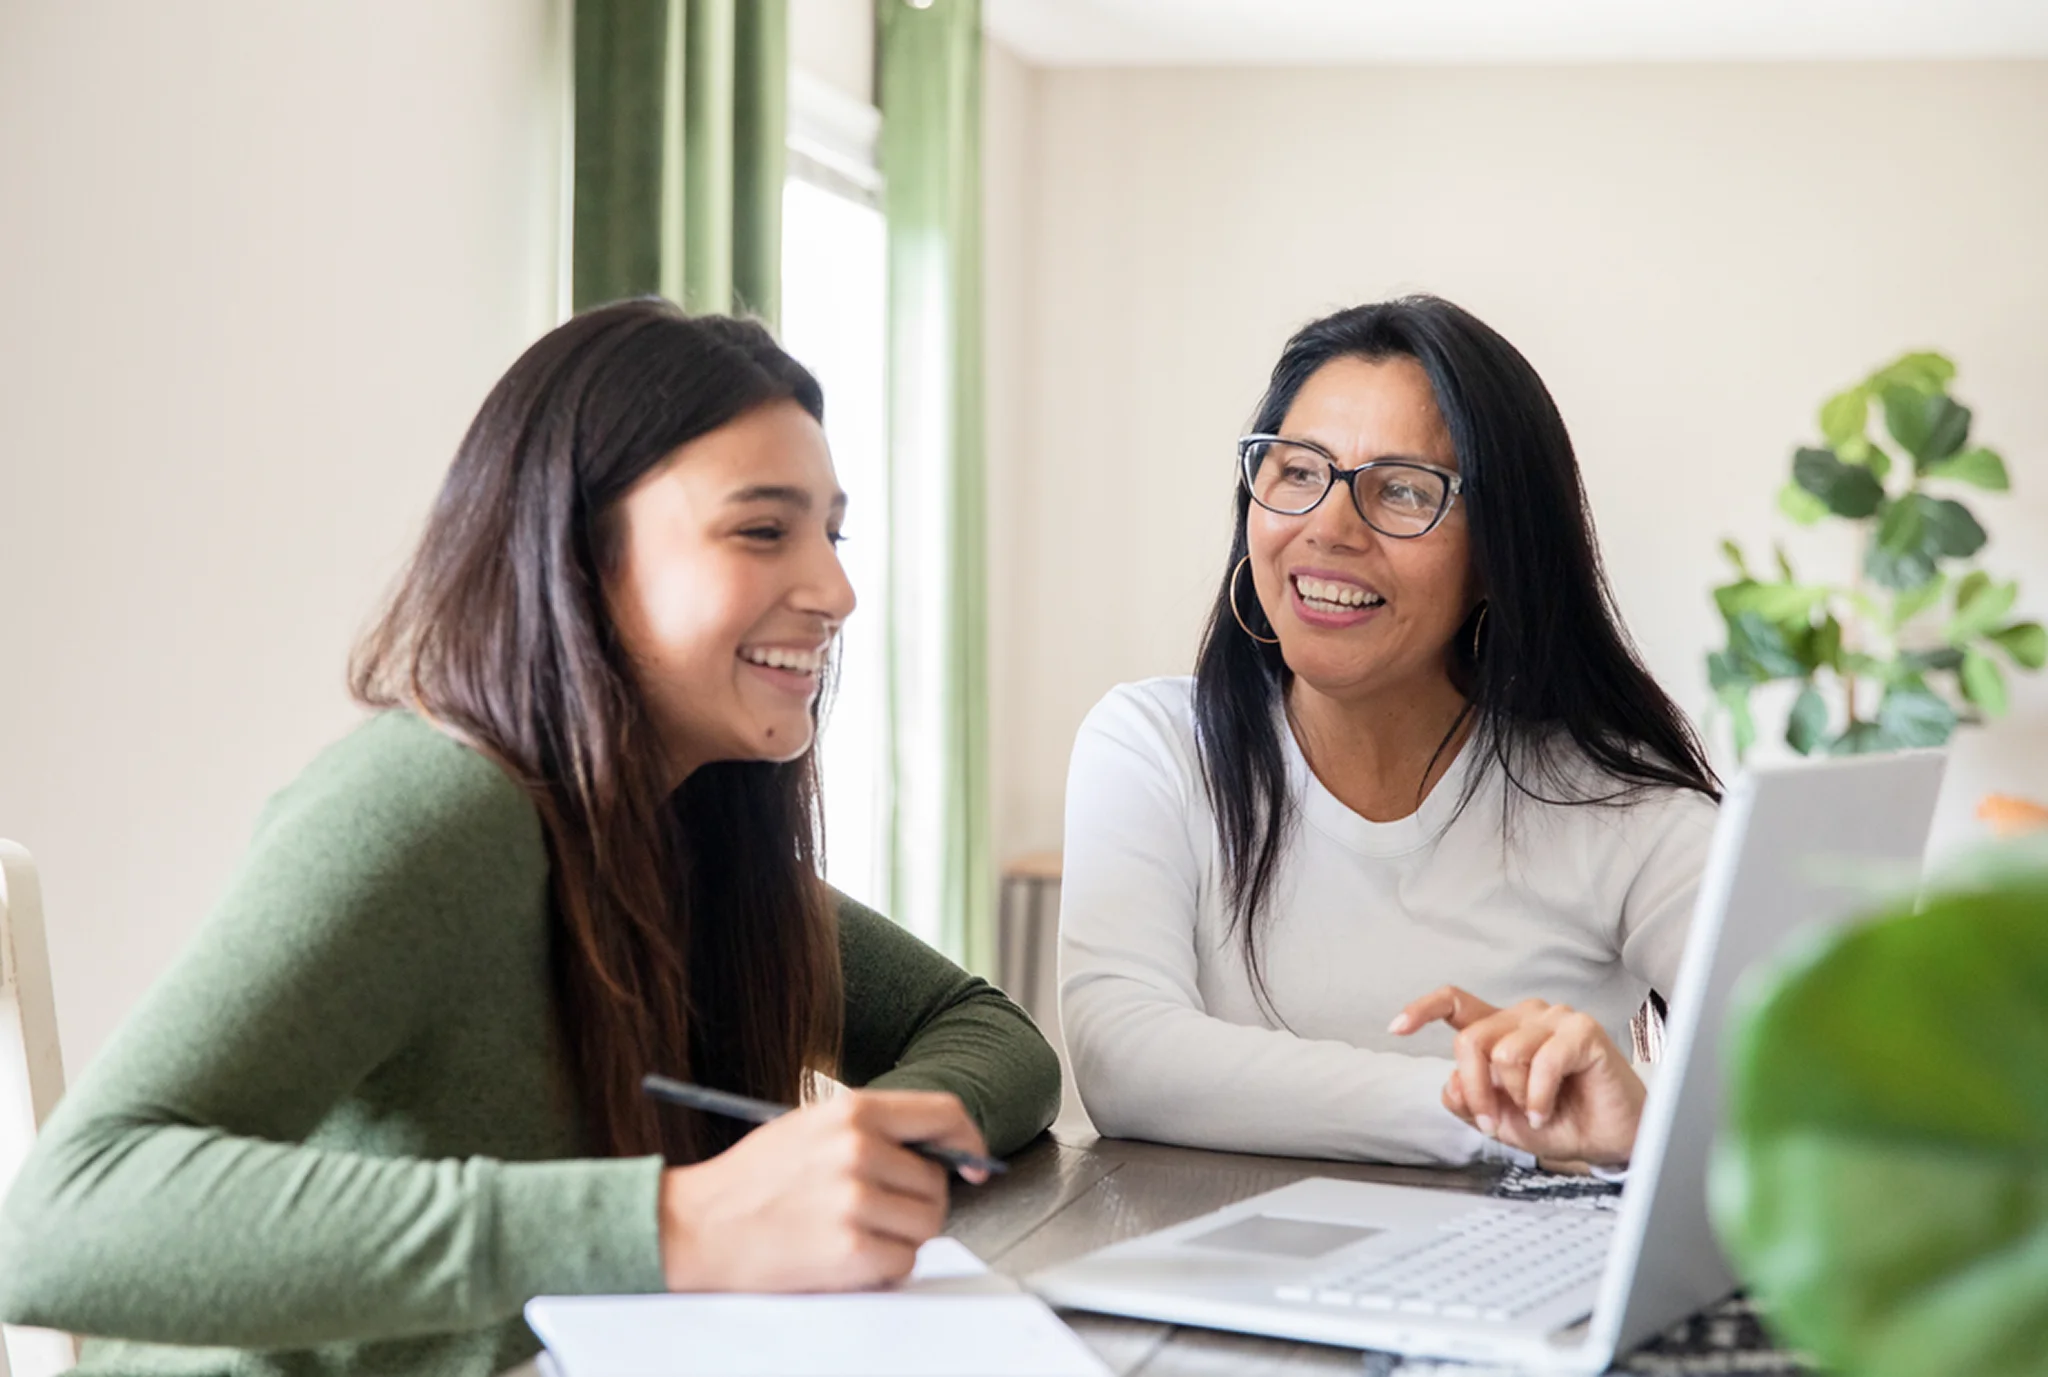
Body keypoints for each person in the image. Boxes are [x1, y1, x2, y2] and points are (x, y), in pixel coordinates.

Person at [0, 300, 1060, 1375]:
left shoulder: (683, 832)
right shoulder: (434, 805)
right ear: (581, 553)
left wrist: (850, 1157)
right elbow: (60, 1224)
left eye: (832, 534)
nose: (837, 590)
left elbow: (985, 1033)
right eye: (761, 530)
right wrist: (674, 1222)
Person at [1059, 295, 1718, 1170]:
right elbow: (1126, 1060)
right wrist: (1492, 1113)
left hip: (1520, 1258)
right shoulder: (1155, 748)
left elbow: (1825, 1074)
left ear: (1500, 551)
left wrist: (1644, 1115)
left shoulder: (1615, 804)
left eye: (1403, 489)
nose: (1329, 528)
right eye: (1299, 471)